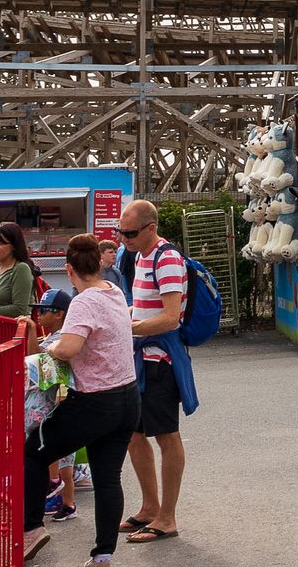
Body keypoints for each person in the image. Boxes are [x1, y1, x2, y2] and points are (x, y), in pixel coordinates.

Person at [23, 234, 141, 564]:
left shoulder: (83, 301)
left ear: (69, 268)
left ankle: (31, 527)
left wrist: (51, 348)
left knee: (32, 454)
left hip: (94, 401)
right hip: (128, 398)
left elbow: (70, 347)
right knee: (108, 479)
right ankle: (103, 555)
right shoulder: (113, 291)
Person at [119, 199, 198, 545]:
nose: (124, 239)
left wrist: (127, 328)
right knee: (135, 434)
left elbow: (170, 318)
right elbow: (144, 303)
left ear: (151, 228)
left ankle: (167, 517)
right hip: (142, 358)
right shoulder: (139, 256)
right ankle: (150, 507)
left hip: (160, 360)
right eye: (121, 232)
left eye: (131, 233)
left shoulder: (166, 258)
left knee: (166, 435)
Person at [27, 290, 80, 524]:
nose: (38, 314)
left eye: (44, 310)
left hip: (53, 403)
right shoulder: (54, 336)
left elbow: (36, 361)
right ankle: (67, 503)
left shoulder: (60, 338)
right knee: (65, 458)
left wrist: (29, 332)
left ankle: (54, 488)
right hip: (60, 402)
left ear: (59, 314)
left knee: (45, 450)